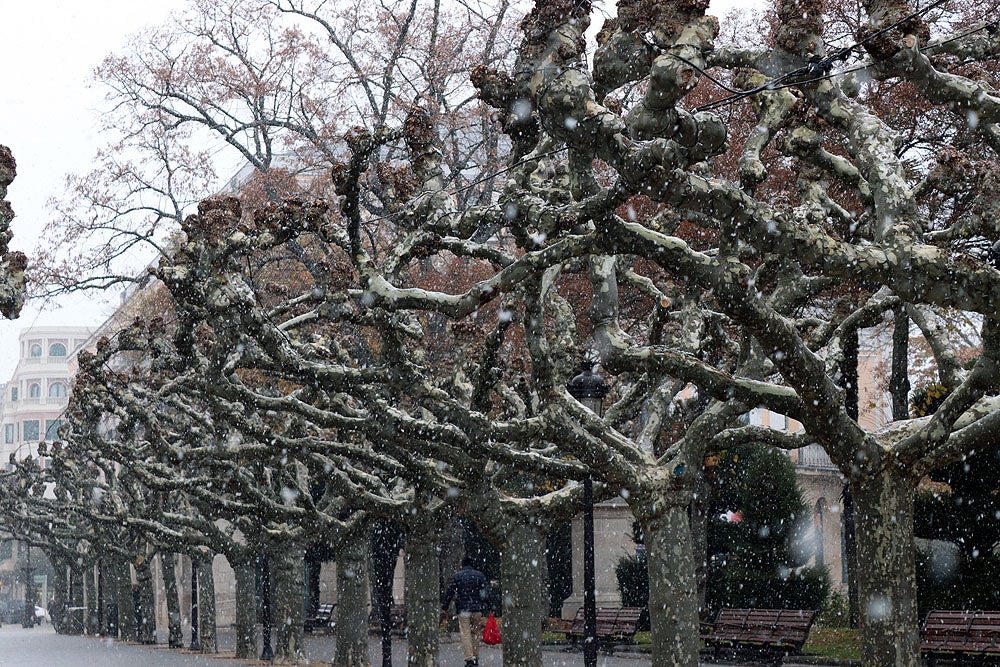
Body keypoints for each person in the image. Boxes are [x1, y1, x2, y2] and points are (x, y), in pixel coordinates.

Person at [442, 556, 489, 667]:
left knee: (465, 633)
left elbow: (450, 592)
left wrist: (445, 606)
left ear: (462, 565)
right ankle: (476, 657)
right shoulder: (480, 576)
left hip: (463, 609)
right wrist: (488, 606)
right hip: (477, 609)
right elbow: (486, 592)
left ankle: (469, 659)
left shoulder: (457, 576)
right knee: (476, 634)